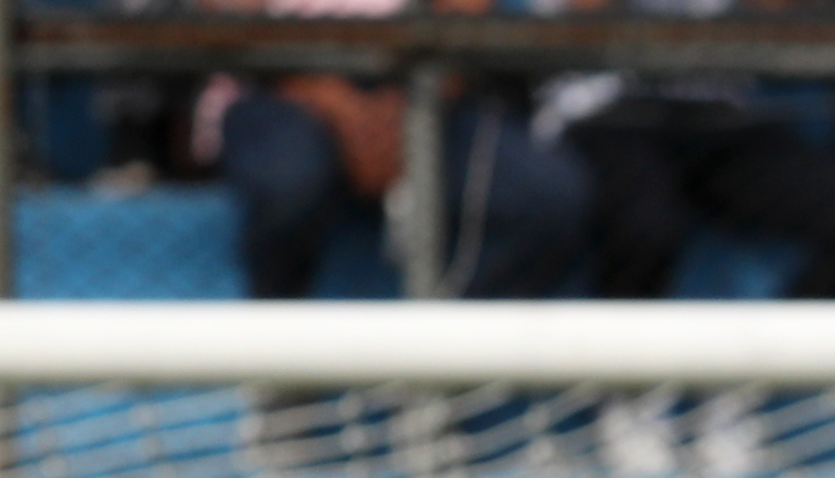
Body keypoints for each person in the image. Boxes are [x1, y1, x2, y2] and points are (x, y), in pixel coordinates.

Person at [538, 0, 835, 478]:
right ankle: (631, 395)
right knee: (646, 225)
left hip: (720, 114)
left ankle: (743, 380)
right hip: (603, 111)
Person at [215, 25, 586, 305]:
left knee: (547, 196)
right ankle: (282, 374)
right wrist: (337, 105)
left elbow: (462, 17)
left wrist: (407, 108)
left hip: (426, 87)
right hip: (279, 85)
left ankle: (441, 375)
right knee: (290, 183)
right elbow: (230, 22)